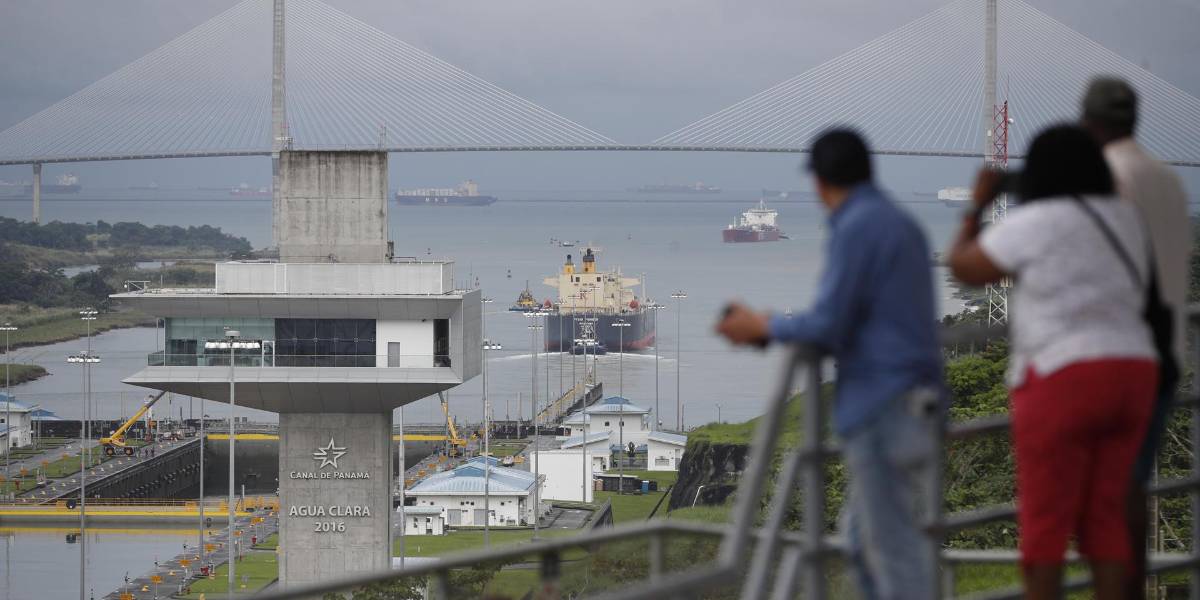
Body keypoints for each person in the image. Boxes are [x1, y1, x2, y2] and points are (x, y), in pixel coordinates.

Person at [717, 129, 943, 599]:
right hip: (916, 398)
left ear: (820, 182)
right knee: (865, 542)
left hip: (885, 405)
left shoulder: (857, 227)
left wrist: (765, 326)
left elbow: (830, 323)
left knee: (892, 553)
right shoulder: (901, 224)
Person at [948, 125, 1158, 600]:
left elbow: (966, 267)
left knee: (1045, 524)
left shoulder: (1037, 220)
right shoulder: (1125, 217)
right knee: (1107, 519)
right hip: (1132, 374)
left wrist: (979, 205)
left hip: (1064, 378)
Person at [1080, 77, 1190, 599]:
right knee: (1133, 488)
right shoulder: (1168, 179)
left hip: (1121, 356)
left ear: (1090, 123)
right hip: (1166, 354)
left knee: (1110, 495)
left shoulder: (1106, 180)